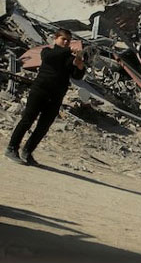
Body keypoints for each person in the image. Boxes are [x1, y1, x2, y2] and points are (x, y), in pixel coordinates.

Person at [5, 28, 85, 166]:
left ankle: (27, 152)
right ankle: (12, 148)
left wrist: (79, 65)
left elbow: (77, 76)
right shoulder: (47, 51)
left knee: (43, 126)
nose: (66, 42)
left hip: (56, 96)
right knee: (27, 120)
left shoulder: (69, 58)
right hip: (39, 91)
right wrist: (69, 51)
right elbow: (51, 58)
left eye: (68, 40)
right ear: (56, 39)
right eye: (63, 39)